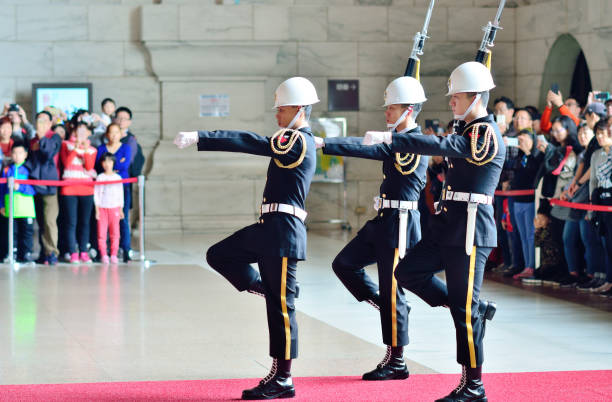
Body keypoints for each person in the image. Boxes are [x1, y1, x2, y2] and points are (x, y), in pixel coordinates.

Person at [362, 61, 503, 401]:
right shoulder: (466, 130)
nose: (451, 101)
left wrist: (392, 139)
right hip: (447, 227)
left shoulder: (484, 133)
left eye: (457, 96)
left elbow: (449, 147)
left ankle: (473, 385)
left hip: (470, 230)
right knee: (407, 272)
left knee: (464, 314)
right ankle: (471, 307)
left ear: (476, 97)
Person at [174, 77, 319, 400]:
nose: (277, 116)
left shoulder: (296, 141)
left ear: (299, 109)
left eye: (281, 110)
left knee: (281, 310)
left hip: (283, 232)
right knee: (219, 254)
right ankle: (268, 288)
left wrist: (202, 136)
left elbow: (249, 141)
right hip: (269, 227)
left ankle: (282, 378)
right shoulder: (295, 139)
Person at [318, 76, 429, 381]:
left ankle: (397, 360)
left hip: (401, 223)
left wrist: (325, 143)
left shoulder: (413, 143)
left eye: (392, 108)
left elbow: (368, 148)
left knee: (395, 291)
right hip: (383, 221)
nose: (386, 113)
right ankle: (390, 307)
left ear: (408, 110)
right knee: (344, 264)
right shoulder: (397, 140)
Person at [60, 122, 97, 264]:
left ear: (88, 133)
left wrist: (85, 149)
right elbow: (67, 163)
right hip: (69, 188)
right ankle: (72, 252)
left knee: (85, 222)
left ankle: (83, 251)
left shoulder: (92, 149)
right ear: (74, 131)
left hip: (86, 188)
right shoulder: (65, 145)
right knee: (71, 222)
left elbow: (89, 166)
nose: (81, 133)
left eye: (84, 130)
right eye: (78, 130)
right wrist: (75, 148)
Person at [29, 111, 62, 265]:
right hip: (35, 184)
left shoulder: (54, 137)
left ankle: (52, 252)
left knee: (50, 220)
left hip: (50, 185)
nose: (41, 123)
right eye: (38, 120)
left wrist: (42, 138)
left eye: (44, 120)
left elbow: (48, 153)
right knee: (41, 221)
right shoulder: (32, 140)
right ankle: (44, 252)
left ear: (50, 123)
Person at [114, 106, 145, 262]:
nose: (121, 121)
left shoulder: (131, 140)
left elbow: (127, 163)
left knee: (123, 216)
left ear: (129, 121)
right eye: (118, 117)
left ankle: (125, 248)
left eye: (124, 118)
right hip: (107, 184)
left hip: (123, 183)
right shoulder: (108, 137)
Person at [0, 144, 36, 263]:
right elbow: (1, 189)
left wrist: (20, 187)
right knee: (11, 233)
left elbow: (34, 188)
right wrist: (1, 205)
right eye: (14, 153)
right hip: (11, 209)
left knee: (26, 233)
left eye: (20, 153)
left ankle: (26, 254)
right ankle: (12, 253)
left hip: (26, 208)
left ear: (25, 154)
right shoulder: (6, 170)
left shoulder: (30, 169)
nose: (17, 156)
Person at [94, 153, 124, 265]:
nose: (107, 164)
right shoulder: (100, 177)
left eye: (109, 161)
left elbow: (120, 194)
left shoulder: (118, 178)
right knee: (102, 233)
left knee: (115, 233)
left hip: (114, 208)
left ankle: (114, 254)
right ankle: (103, 254)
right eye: (105, 161)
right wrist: (97, 209)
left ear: (113, 163)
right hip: (102, 208)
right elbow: (96, 194)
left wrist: (120, 209)